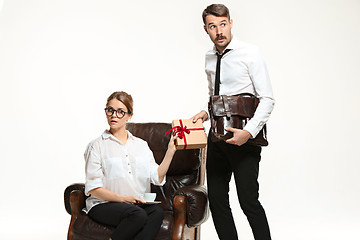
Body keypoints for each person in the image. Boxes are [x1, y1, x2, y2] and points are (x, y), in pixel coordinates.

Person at [192, 4, 275, 240]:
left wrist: (247, 133)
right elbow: (215, 95)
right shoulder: (209, 57)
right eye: (212, 26)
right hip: (217, 138)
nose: (219, 31)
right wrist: (207, 113)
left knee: (248, 201)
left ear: (230, 23)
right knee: (217, 202)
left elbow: (267, 99)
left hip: (244, 139)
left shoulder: (250, 53)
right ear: (206, 29)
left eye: (222, 24)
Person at [84, 91, 177, 240]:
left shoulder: (141, 145)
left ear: (129, 115)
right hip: (103, 204)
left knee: (157, 212)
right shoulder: (97, 146)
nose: (114, 115)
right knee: (137, 215)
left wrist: (170, 152)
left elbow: (156, 177)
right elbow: (93, 188)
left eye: (121, 112)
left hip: (134, 205)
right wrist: (123, 199)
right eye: (110, 110)